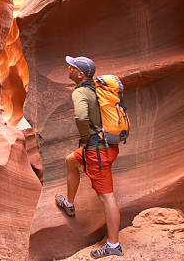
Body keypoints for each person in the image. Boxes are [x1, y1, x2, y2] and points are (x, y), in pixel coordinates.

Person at [55, 56, 123, 258]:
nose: (69, 68)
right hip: (106, 145)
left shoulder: (81, 92)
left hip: (96, 150)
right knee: (70, 160)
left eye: (72, 67)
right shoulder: (97, 88)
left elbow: (82, 117)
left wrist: (85, 140)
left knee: (106, 196)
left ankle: (113, 245)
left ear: (80, 74)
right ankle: (69, 202)